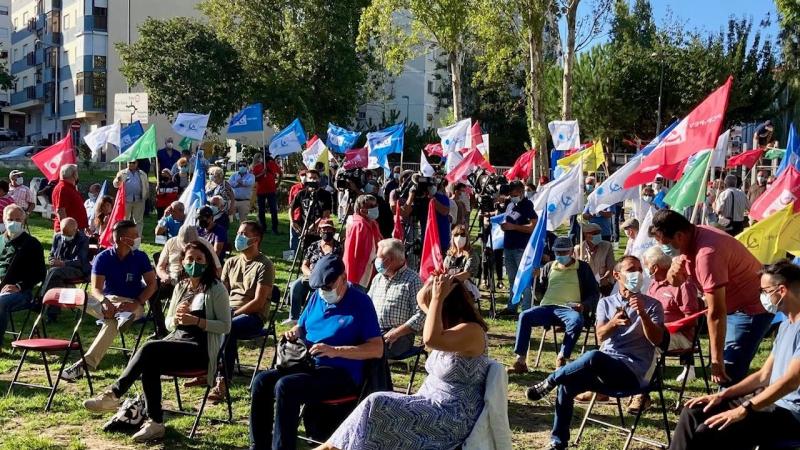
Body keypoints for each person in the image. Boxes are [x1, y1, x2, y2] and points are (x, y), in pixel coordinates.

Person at [318, 274, 490, 450]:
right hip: (431, 405)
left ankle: (332, 448)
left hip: (452, 416)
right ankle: (331, 447)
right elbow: (421, 301)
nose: (430, 312)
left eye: (433, 306)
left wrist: (437, 297)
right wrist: (436, 286)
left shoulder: (472, 331)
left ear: (445, 304)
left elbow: (430, 339)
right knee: (375, 406)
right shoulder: (448, 328)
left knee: (377, 403)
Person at [82, 241, 231, 443]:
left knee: (150, 347)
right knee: (150, 363)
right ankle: (155, 423)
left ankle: (113, 394)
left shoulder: (216, 289)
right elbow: (168, 323)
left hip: (200, 350)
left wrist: (197, 321)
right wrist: (177, 319)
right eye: (190, 259)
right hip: (177, 342)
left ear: (207, 262)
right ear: (182, 261)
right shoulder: (182, 287)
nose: (194, 263)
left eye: (199, 259)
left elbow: (225, 326)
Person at [525, 255, 665, 450]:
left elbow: (657, 340)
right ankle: (558, 442)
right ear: (617, 275)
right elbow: (600, 336)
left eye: (640, 270)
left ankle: (550, 380)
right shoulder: (606, 303)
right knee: (567, 385)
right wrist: (613, 323)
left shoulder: (652, 305)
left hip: (633, 372)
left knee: (594, 356)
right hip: (604, 369)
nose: (638, 274)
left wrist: (642, 314)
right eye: (632, 270)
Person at [248, 254, 383, 450]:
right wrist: (295, 332)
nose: (324, 292)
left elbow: (377, 349)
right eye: (320, 288)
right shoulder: (316, 297)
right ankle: (258, 446)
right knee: (261, 381)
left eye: (328, 287)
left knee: (286, 386)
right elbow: (302, 326)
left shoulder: (361, 303)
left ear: (343, 278)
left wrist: (335, 350)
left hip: (341, 374)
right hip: (308, 364)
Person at [669, 260, 800, 450]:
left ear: (781, 290)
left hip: (791, 413)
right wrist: (722, 395)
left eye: (764, 291)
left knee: (709, 430)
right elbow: (764, 375)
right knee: (693, 412)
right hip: (768, 402)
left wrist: (745, 408)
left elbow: (791, 382)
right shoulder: (786, 324)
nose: (762, 296)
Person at [649, 209, 771, 386]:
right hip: (731, 308)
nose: (664, 249)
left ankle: (734, 401)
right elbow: (674, 282)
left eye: (665, 243)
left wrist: (716, 359)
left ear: (679, 236)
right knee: (728, 373)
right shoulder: (691, 236)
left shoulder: (708, 254)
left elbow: (716, 313)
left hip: (749, 309)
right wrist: (673, 274)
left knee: (728, 372)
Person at [60, 220, 157, 380]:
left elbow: (152, 284)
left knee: (111, 322)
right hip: (107, 301)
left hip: (133, 303)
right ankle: (120, 316)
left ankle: (84, 365)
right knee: (79, 296)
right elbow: (96, 289)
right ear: (123, 239)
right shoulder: (103, 257)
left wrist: (137, 303)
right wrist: (105, 302)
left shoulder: (140, 257)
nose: (139, 237)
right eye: (135, 235)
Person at [507, 237, 600, 374]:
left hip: (570, 309)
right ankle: (520, 360)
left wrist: (584, 306)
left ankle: (562, 357)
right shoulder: (549, 266)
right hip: (547, 307)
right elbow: (539, 294)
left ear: (571, 252)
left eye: (564, 252)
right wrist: (534, 280)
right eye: (558, 252)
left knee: (576, 321)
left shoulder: (583, 268)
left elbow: (594, 293)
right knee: (524, 316)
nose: (561, 255)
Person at [214, 220, 275, 401]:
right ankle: (206, 370)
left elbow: (258, 302)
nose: (238, 237)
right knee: (203, 321)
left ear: (256, 239)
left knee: (227, 327)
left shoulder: (264, 265)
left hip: (252, 316)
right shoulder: (231, 262)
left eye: (243, 234)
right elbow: (222, 293)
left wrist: (233, 313)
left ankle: (223, 380)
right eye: (238, 233)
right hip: (229, 311)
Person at [643, 245, 701, 382]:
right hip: (655, 330)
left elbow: (692, 319)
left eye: (646, 265)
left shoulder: (683, 284)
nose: (645, 268)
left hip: (681, 336)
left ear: (655, 267)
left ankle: (645, 383)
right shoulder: (653, 284)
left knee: (646, 343)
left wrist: (667, 327)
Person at [155, 225, 222, 337]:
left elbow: (218, 269)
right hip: (173, 282)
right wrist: (165, 276)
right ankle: (160, 328)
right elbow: (160, 266)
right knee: (152, 292)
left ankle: (193, 330)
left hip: (199, 285)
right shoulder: (171, 242)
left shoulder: (205, 245)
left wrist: (206, 281)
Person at [368, 238, 424, 359]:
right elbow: (366, 305)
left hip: (400, 335)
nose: (376, 261)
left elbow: (421, 315)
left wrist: (397, 332)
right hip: (375, 331)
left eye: (380, 258)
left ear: (392, 260)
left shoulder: (413, 280)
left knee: (371, 350)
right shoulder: (378, 278)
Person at [0, 205, 45, 349]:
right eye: (10, 219)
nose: (13, 222)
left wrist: (19, 286)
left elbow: (40, 273)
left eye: (18, 219)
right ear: (4, 220)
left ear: (24, 221)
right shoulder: (0, 240)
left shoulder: (32, 244)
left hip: (21, 293)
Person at [285, 219, 342, 326]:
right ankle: (294, 317)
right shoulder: (313, 246)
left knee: (314, 293)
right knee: (295, 287)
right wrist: (311, 274)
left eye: (329, 229)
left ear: (333, 231)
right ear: (319, 231)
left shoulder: (338, 248)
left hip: (327, 279)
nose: (326, 232)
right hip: (310, 276)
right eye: (324, 229)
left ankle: (307, 319)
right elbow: (304, 265)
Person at [497, 181, 538, 315]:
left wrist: (514, 227)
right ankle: (512, 307)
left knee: (524, 279)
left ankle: (526, 309)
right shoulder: (510, 205)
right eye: (510, 194)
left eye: (514, 194)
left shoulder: (527, 205)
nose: (512, 196)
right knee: (512, 279)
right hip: (508, 246)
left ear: (521, 192)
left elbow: (533, 226)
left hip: (521, 248)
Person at [343, 194, 383, 289]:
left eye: (376, 205)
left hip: (371, 268)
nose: (376, 208)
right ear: (362, 210)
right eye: (372, 206)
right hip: (359, 273)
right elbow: (357, 254)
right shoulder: (359, 225)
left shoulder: (372, 223)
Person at [42, 217, 91, 293]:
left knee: (54, 272)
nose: (65, 237)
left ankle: (43, 296)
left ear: (75, 230)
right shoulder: (58, 237)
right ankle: (50, 298)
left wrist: (62, 263)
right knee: (51, 272)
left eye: (68, 234)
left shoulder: (83, 240)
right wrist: (52, 260)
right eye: (63, 234)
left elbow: (80, 261)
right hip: (58, 268)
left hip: (77, 269)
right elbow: (51, 254)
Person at [290, 169, 333, 247]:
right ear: (307, 179)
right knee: (305, 251)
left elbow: (326, 215)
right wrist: (292, 221)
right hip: (305, 230)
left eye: (315, 178)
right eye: (310, 178)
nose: (313, 180)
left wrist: (312, 226)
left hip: (319, 231)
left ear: (319, 179)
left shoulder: (326, 194)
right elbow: (291, 208)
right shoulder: (301, 194)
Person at [575, 222, 615, 296]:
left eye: (599, 233)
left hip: (604, 284)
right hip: (586, 284)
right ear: (586, 235)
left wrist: (605, 277)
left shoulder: (607, 246)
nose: (598, 235)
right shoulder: (579, 249)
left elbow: (611, 266)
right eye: (595, 233)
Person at [443, 224, 480, 301]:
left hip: (466, 288)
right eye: (456, 235)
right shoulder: (449, 255)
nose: (459, 238)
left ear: (467, 238)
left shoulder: (472, 255)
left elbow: (467, 274)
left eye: (462, 235)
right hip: (448, 286)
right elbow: (444, 271)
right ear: (453, 238)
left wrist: (450, 279)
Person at [113, 160, 149, 235]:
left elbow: (146, 186)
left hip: (139, 200)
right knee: (125, 220)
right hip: (126, 200)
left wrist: (145, 196)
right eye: (129, 162)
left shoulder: (143, 174)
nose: (131, 164)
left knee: (139, 220)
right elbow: (115, 185)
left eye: (133, 163)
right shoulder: (121, 173)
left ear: (137, 163)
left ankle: (138, 236)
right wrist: (117, 180)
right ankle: (124, 235)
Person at [52, 164, 89, 233]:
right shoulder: (63, 188)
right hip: (70, 231)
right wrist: (67, 230)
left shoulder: (69, 187)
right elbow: (60, 210)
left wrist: (85, 226)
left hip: (75, 229)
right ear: (74, 174)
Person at [253, 152, 283, 235]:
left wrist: (278, 183)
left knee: (274, 210)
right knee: (261, 211)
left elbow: (280, 173)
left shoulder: (273, 164)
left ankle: (274, 229)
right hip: (261, 191)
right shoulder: (257, 167)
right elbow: (254, 179)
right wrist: (262, 173)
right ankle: (263, 228)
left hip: (271, 191)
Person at [582, 177, 615, 242]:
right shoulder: (591, 200)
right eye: (597, 189)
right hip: (591, 232)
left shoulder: (609, 200)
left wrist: (599, 212)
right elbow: (584, 215)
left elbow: (609, 214)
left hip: (604, 232)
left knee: (604, 248)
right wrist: (590, 215)